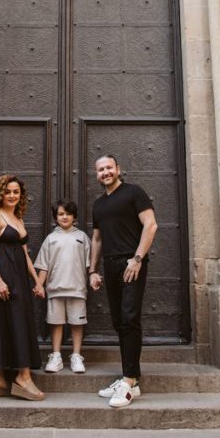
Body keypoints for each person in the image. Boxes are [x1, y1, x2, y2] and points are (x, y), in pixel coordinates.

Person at [89, 155, 158, 408]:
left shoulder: (134, 193)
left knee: (129, 317)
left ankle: (128, 381)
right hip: (110, 264)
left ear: (118, 169)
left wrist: (137, 259)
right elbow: (97, 239)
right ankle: (132, 379)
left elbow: (150, 225)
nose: (105, 172)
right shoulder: (98, 204)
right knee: (119, 321)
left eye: (109, 167)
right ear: (96, 174)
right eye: (100, 170)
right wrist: (92, 270)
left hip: (132, 264)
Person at [0, 174, 46, 401]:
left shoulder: (18, 219)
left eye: (16, 192)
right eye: (8, 192)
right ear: (0, 194)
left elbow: (24, 254)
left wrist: (36, 281)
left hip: (18, 279)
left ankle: (1, 380)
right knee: (1, 321)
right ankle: (16, 378)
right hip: (2, 277)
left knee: (17, 321)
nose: (13, 195)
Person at [34, 199, 91, 374]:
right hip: (55, 289)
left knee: (76, 323)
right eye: (60, 214)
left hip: (77, 289)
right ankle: (56, 355)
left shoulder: (82, 237)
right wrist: (39, 284)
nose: (64, 217)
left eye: (68, 213)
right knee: (56, 322)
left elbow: (90, 264)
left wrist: (93, 277)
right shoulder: (51, 239)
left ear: (74, 216)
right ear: (55, 217)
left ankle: (76, 356)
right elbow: (44, 265)